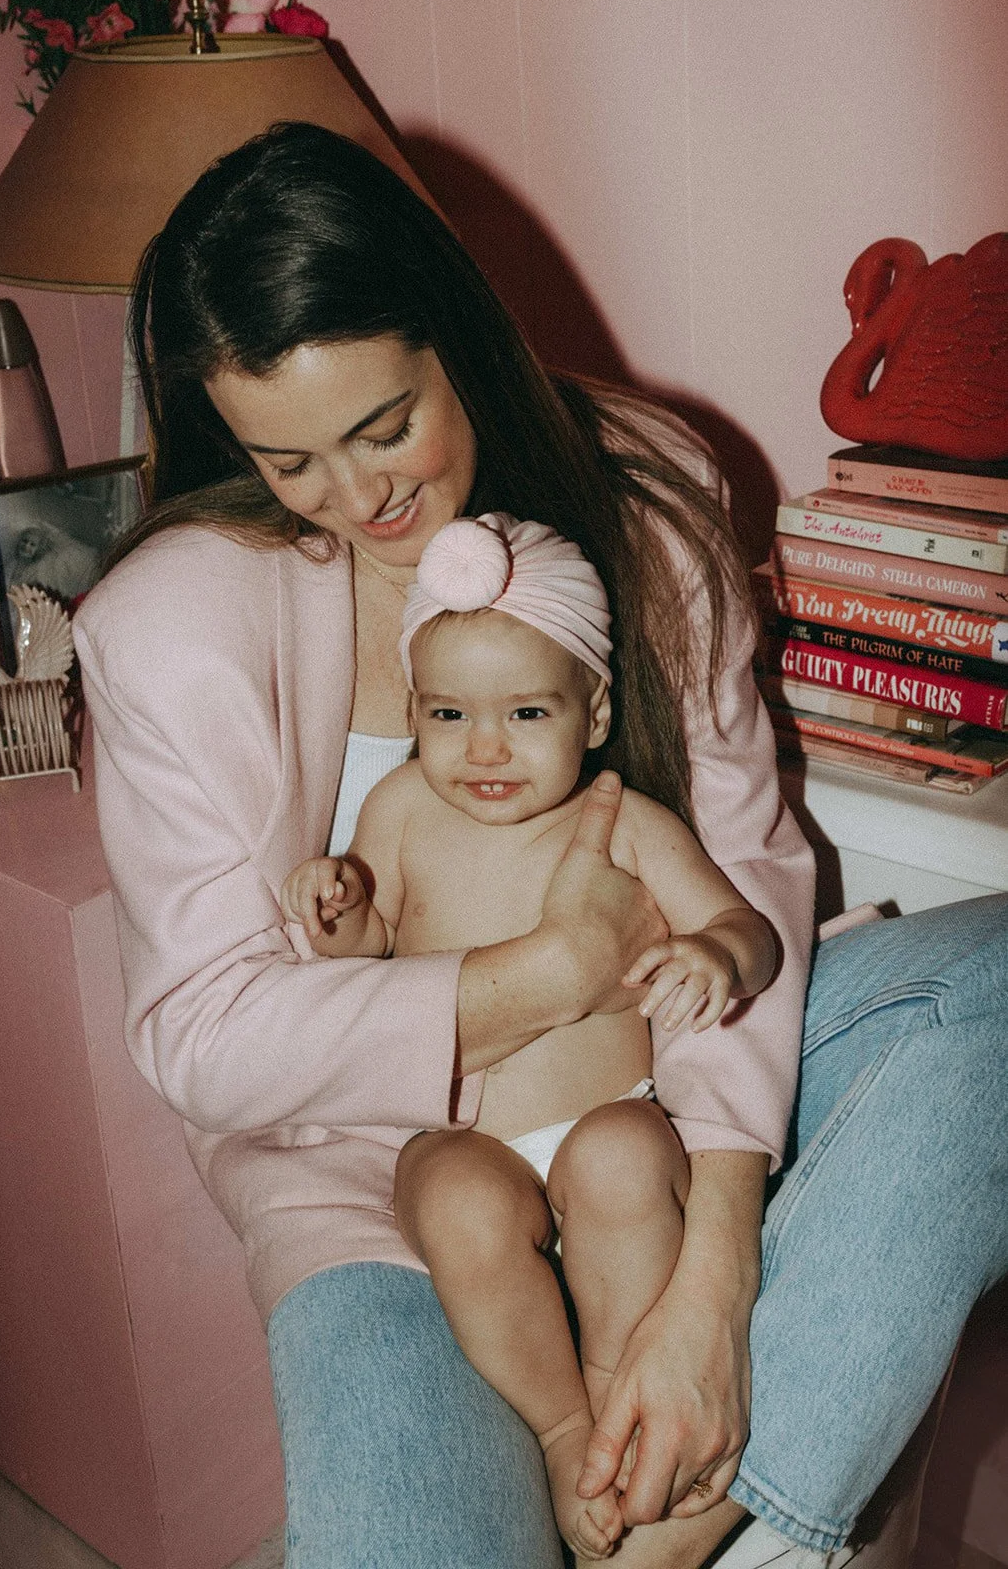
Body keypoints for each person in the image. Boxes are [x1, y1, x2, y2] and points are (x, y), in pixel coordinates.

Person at [72, 120, 1008, 1569]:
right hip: (383, 1182)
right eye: (289, 460)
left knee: (994, 986)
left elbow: (746, 868)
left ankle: (690, 1532)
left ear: (456, 333)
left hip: (657, 1087)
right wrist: (543, 970)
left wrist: (708, 1281)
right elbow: (201, 1034)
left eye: (383, 425)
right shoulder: (171, 622)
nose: (360, 497)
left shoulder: (638, 495)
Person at [281, 512, 777, 1561]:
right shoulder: (402, 807)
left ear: (592, 709)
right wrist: (338, 912)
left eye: (525, 711)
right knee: (447, 1188)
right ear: (413, 708)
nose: (484, 747)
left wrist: (717, 957)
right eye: (449, 712)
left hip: (606, 1119)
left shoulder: (624, 819)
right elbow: (367, 953)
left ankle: (616, 1398)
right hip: (472, 1140)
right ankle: (562, 1430)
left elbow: (745, 925)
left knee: (623, 1160)